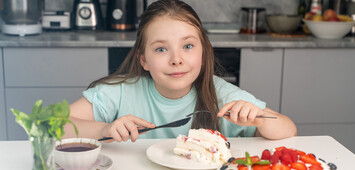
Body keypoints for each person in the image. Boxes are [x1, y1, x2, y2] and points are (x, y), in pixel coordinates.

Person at [64, 0, 297, 142]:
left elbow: (289, 130)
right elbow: (51, 125)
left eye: (187, 46)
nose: (176, 59)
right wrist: (105, 128)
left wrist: (260, 119)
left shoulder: (223, 95)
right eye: (161, 49)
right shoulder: (119, 93)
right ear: (143, 60)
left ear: (203, 52)